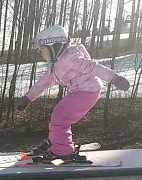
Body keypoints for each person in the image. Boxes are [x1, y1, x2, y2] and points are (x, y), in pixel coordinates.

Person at [15, 25, 130, 161]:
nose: (41, 53)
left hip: (87, 92)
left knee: (60, 117)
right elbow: (43, 83)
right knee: (59, 116)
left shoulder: (71, 59)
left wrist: (114, 78)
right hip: (79, 92)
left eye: (42, 50)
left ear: (54, 47)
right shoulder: (54, 65)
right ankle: (56, 142)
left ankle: (63, 151)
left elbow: (93, 67)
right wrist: (28, 98)